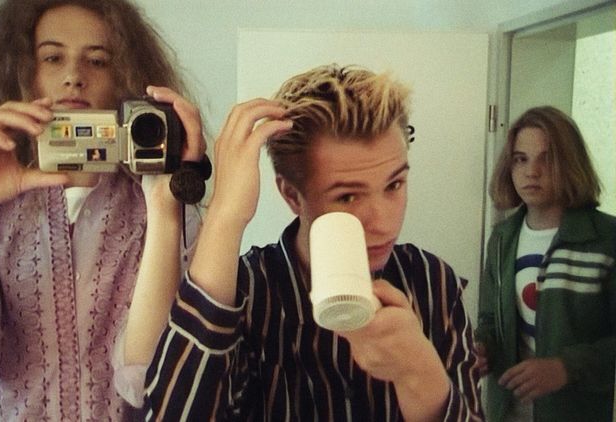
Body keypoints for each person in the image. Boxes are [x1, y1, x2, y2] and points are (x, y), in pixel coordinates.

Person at [141, 64, 483, 420]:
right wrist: (225, 215)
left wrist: (420, 376)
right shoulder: (247, 291)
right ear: (292, 195)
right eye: (348, 197)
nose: (383, 222)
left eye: (394, 185)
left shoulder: (433, 283)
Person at [0, 0, 207, 419]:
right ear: (23, 73)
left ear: (124, 79)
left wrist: (163, 206)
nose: (74, 77)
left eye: (97, 61)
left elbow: (147, 383)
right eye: (52, 57)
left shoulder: (167, 209)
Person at [475, 106, 616, 421]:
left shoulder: (607, 239)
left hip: (576, 412)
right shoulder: (502, 239)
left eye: (546, 158)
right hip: (508, 411)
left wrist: (565, 368)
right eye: (520, 159)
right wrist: (482, 348)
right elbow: (490, 320)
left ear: (569, 162)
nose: (531, 172)